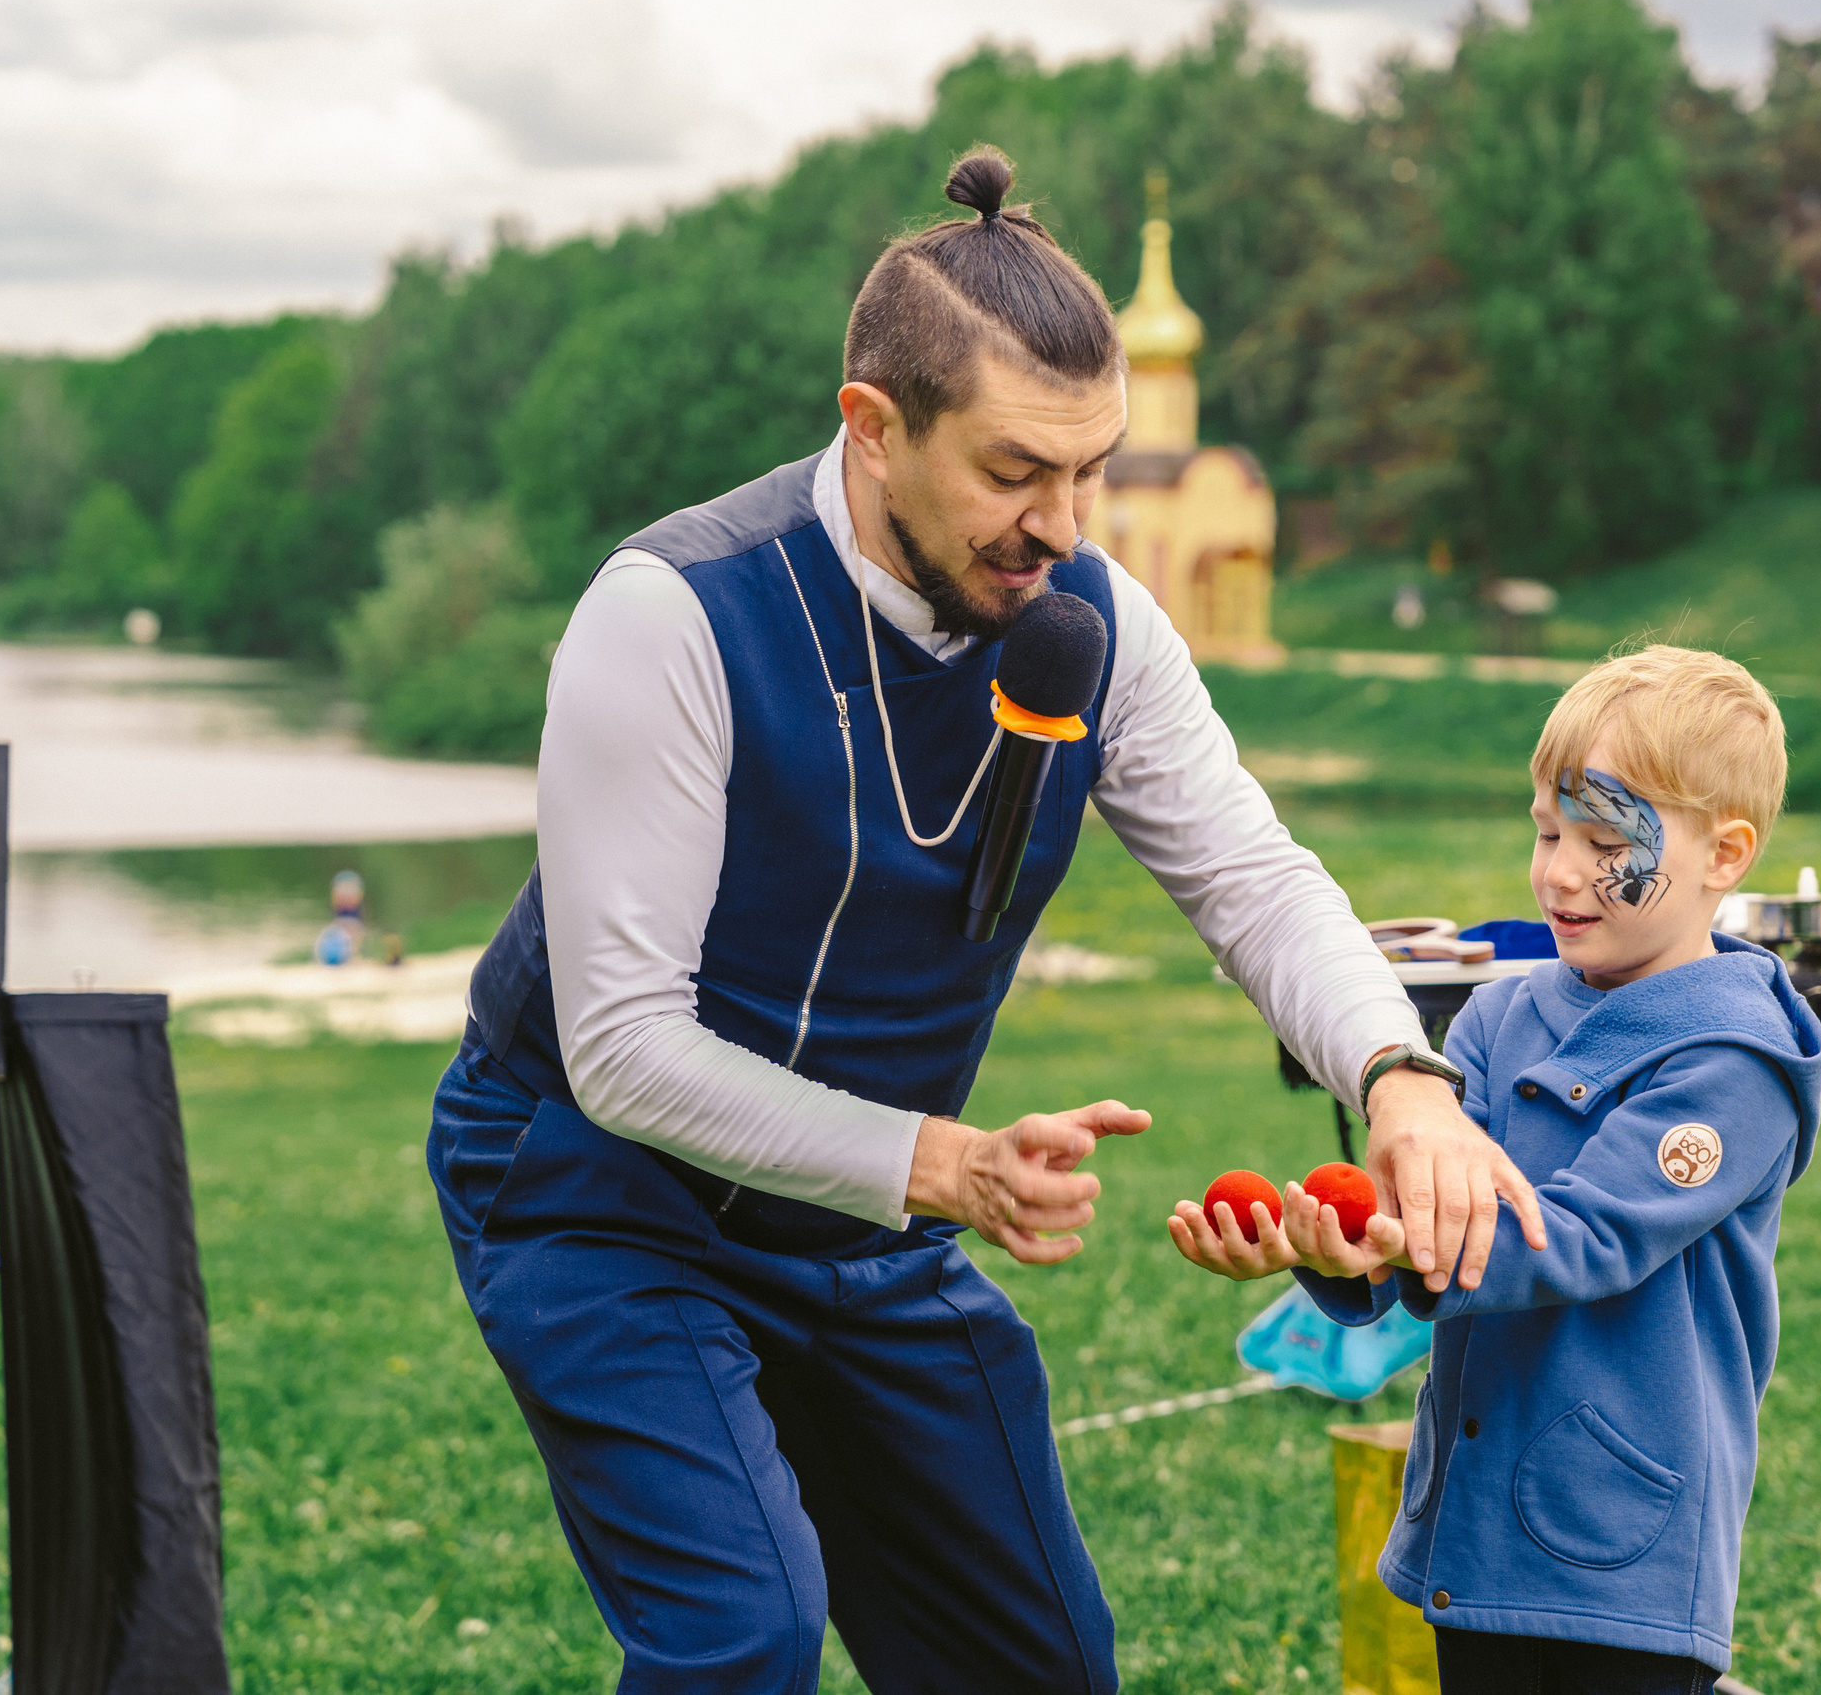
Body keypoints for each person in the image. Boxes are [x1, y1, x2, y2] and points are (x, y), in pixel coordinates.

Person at [423, 145, 1545, 1695]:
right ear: (874, 429)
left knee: (1034, 1654)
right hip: (598, 1189)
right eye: (1016, 471)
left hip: (865, 1217)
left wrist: (1399, 1075)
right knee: (741, 1627)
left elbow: (1252, 873)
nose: (1067, 524)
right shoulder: (671, 614)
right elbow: (620, 1047)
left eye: (1091, 469)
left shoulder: (1098, 618)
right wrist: (944, 1163)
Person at [1170, 646, 1821, 1694]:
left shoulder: (1730, 1061)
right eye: (1546, 829)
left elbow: (1589, 1237)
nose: (1559, 870)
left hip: (1618, 1546)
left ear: (1725, 854)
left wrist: (1407, 1237)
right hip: (1471, 1529)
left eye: (1604, 839)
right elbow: (1407, 1225)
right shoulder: (1498, 1015)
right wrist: (1334, 1250)